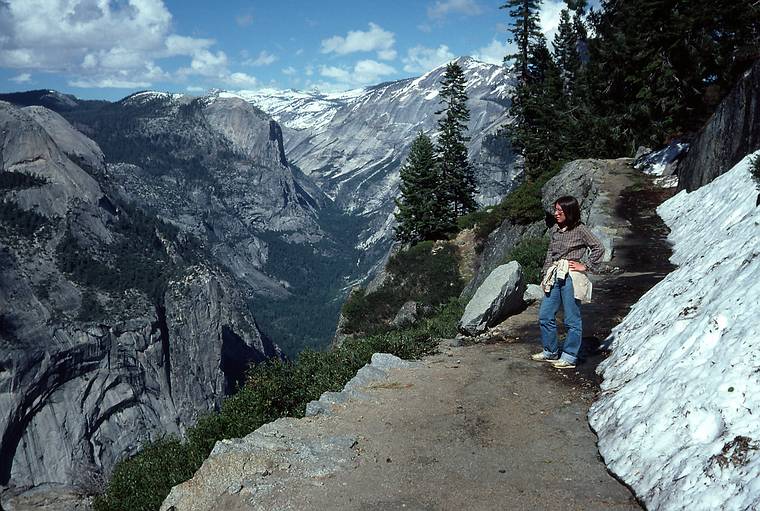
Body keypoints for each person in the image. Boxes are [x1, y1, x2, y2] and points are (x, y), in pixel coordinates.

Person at [532, 196, 605, 369]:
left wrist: (585, 265)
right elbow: (550, 253)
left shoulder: (580, 229)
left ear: (569, 212)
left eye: (560, 211)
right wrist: (545, 274)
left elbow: (598, 247)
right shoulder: (556, 230)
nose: (556, 214)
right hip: (555, 274)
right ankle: (550, 351)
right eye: (555, 210)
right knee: (545, 315)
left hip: (571, 276)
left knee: (572, 318)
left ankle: (570, 357)